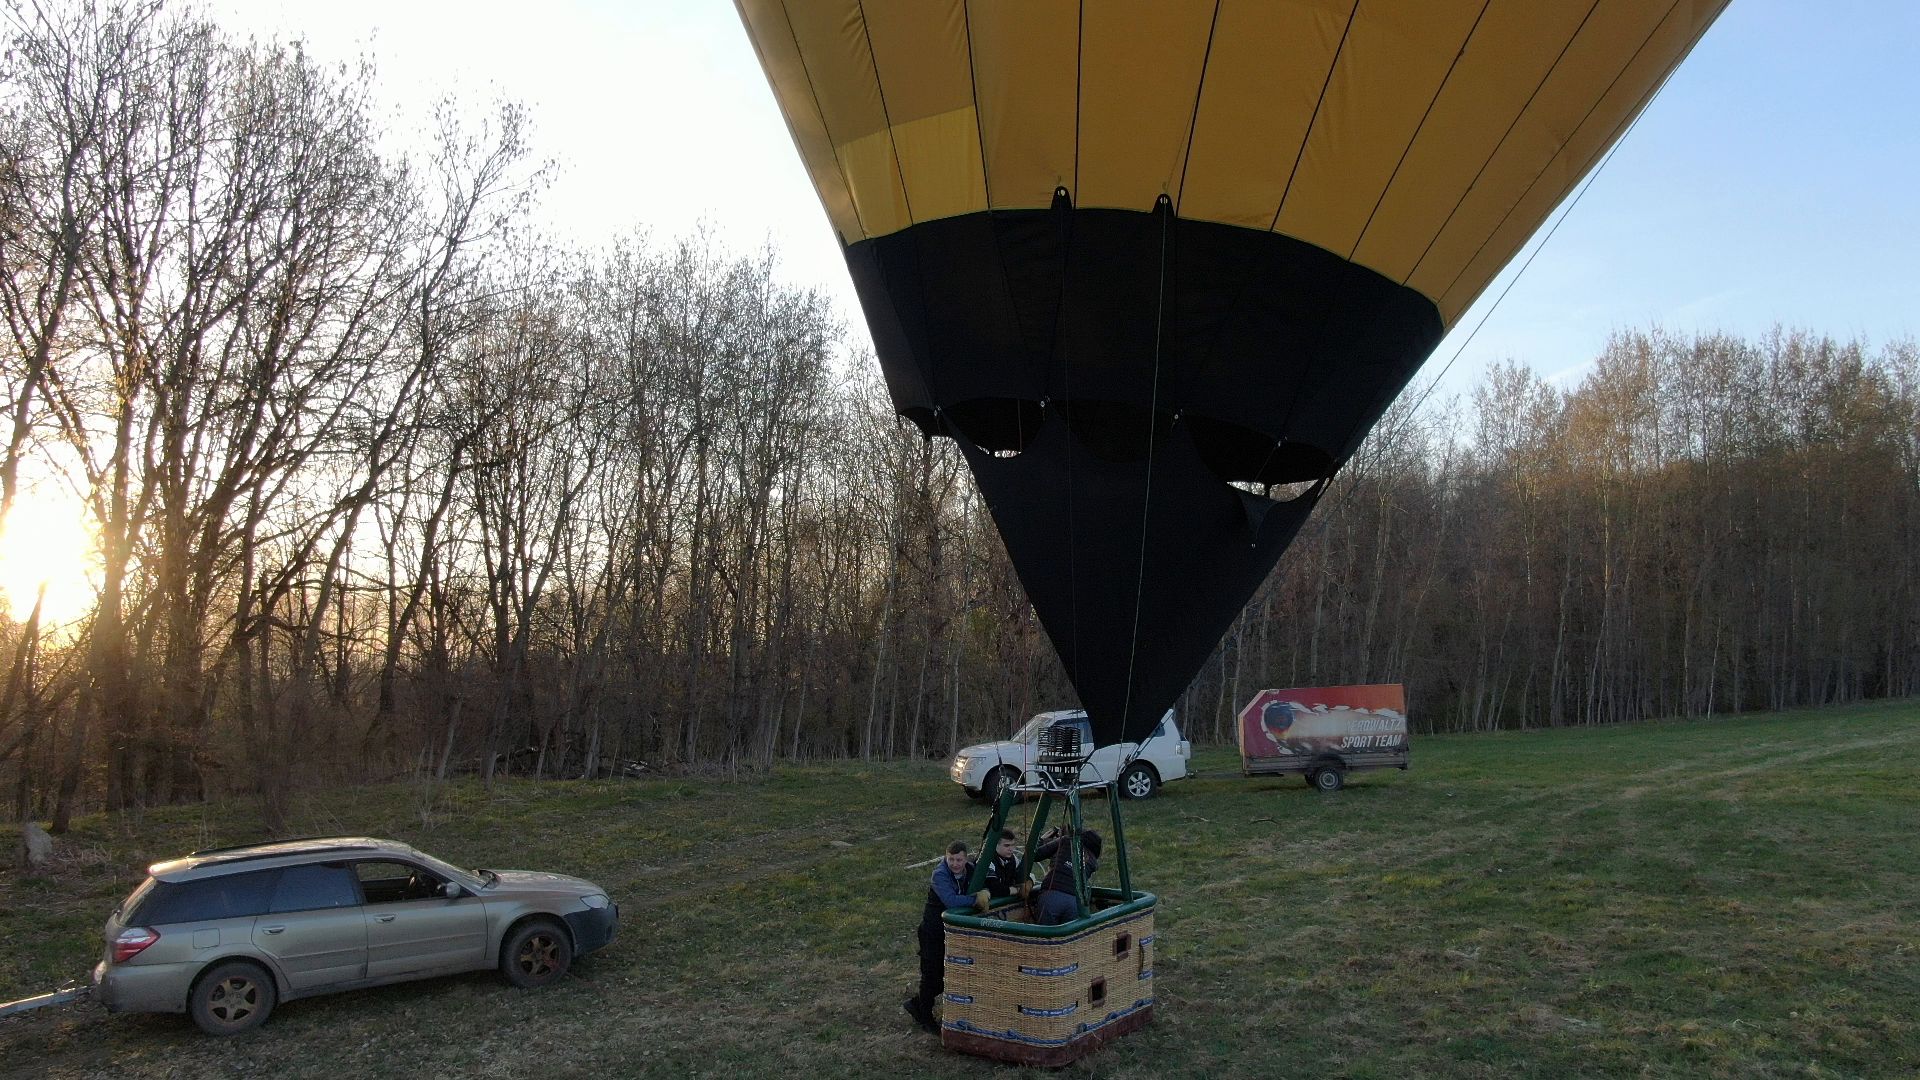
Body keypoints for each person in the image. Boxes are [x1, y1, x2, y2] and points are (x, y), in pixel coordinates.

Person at [906, 840, 987, 1033]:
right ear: (946, 857)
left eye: (959, 859)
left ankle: (917, 1003)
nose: (955, 864)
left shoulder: (971, 870)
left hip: (951, 933)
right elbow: (950, 901)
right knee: (931, 974)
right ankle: (924, 1015)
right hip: (932, 932)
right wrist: (976, 900)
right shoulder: (940, 874)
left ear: (965, 858)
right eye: (951, 859)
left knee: (948, 975)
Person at [1031, 828, 1102, 926]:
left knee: (1044, 937)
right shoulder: (1093, 862)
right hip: (1075, 902)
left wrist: (1042, 840)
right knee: (1068, 939)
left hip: (1051, 896)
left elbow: (1035, 855)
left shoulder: (1067, 841)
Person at [982, 828, 1025, 899]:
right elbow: (995, 889)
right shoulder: (987, 860)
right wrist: (1017, 890)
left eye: (1012, 845)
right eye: (1007, 846)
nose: (1011, 849)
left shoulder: (1013, 859)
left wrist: (1029, 882)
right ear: (995, 845)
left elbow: (1024, 874)